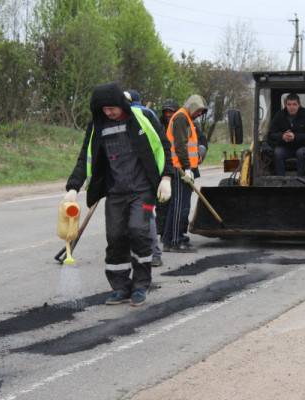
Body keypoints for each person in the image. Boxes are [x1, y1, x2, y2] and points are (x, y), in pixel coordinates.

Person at [64, 83, 173, 306]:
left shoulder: (142, 119)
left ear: (121, 104)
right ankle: (121, 286)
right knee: (115, 237)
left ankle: (141, 285)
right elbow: (85, 155)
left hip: (142, 190)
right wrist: (73, 187)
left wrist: (166, 178)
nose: (109, 112)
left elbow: (164, 146)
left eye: (112, 107)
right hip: (115, 192)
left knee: (138, 231)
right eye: (104, 109)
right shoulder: (97, 126)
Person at [162, 94, 208, 252]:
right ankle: (176, 241)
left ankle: (168, 240)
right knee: (180, 206)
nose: (199, 115)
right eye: (199, 111)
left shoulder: (186, 118)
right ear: (192, 107)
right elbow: (180, 145)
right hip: (179, 169)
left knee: (177, 205)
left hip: (183, 168)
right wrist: (187, 168)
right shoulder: (181, 118)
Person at [127, 89, 165, 267]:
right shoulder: (148, 113)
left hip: (138, 177)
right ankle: (152, 253)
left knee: (143, 215)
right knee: (147, 215)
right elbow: (161, 142)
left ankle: (152, 253)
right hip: (146, 177)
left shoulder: (141, 114)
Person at [267, 93, 305, 176]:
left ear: (299, 105)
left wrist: (295, 137)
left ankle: (301, 179)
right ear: (286, 105)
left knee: (301, 153)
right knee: (278, 152)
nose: (291, 107)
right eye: (289, 104)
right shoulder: (279, 115)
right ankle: (280, 180)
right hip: (285, 147)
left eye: (294, 104)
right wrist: (282, 136)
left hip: (303, 146)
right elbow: (271, 134)